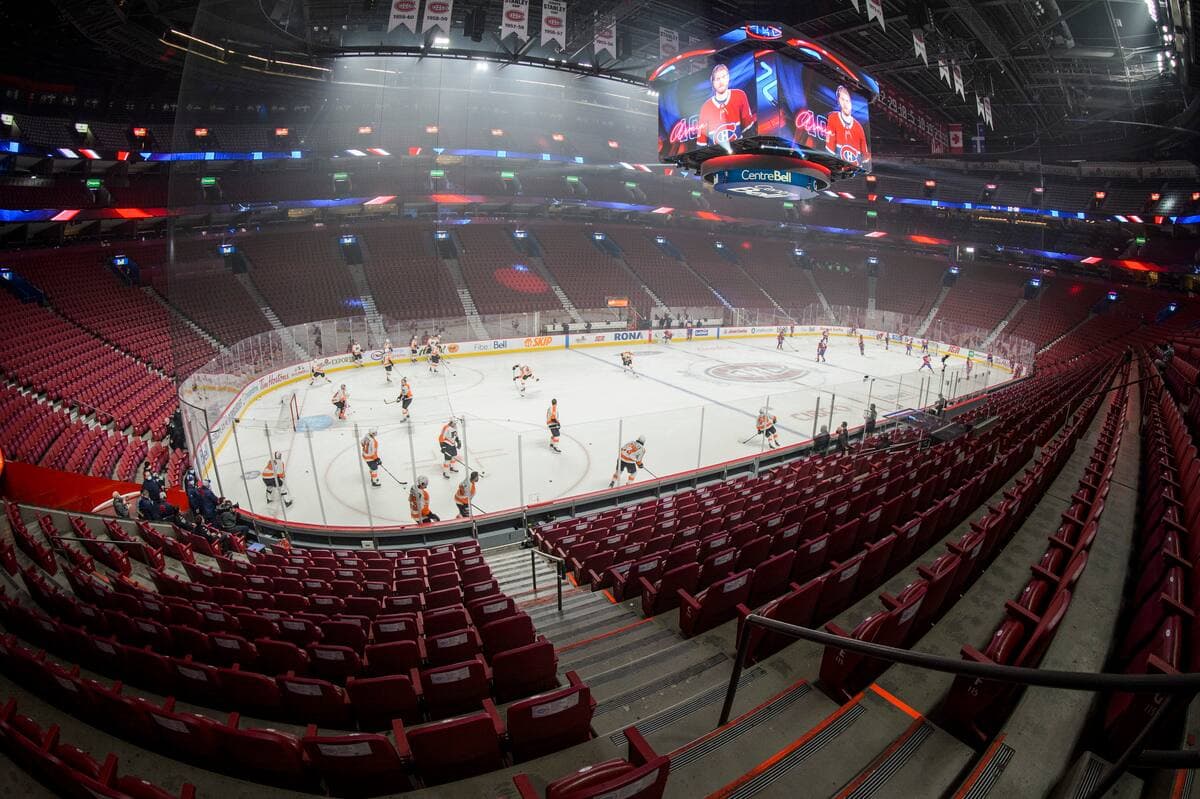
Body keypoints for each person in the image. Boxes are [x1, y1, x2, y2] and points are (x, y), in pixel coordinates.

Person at [697, 63, 755, 147]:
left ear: (728, 78)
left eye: (723, 77)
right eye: (717, 79)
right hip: (717, 156)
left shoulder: (740, 95)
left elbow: (749, 129)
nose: (721, 81)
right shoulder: (706, 107)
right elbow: (701, 142)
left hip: (739, 151)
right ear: (713, 83)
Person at [824, 84, 871, 169]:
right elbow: (829, 149)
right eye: (842, 100)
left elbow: (865, 156)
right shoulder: (833, 118)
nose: (845, 104)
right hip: (837, 164)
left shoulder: (858, 127)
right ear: (838, 101)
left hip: (853, 167)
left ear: (851, 103)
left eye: (847, 100)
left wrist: (861, 160)